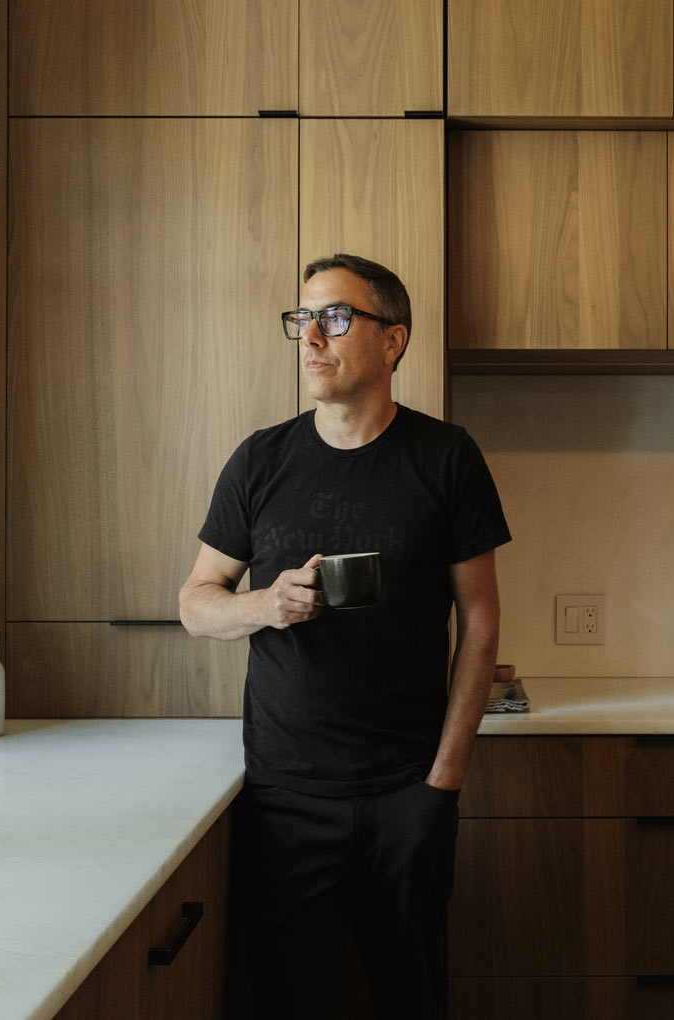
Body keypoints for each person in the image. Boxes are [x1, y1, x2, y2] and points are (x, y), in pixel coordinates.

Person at [178, 253, 510, 1019]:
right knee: (290, 1002)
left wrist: (444, 782)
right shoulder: (260, 459)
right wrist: (265, 604)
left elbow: (482, 620)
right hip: (285, 796)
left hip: (409, 792)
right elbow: (197, 603)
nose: (310, 338)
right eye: (303, 320)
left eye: (334, 318)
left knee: (411, 998)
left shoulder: (446, 457)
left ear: (392, 341)